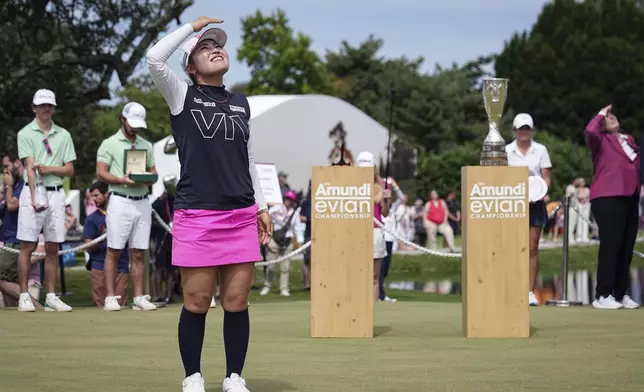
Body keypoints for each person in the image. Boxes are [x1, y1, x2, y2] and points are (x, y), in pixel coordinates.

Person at [146, 16, 273, 392]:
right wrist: (191, 27)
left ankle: (234, 376)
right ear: (189, 66)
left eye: (217, 44)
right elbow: (154, 59)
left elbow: (248, 160)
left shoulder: (241, 104)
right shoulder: (181, 95)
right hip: (197, 213)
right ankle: (193, 377)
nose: (215, 49)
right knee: (197, 300)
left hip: (240, 214)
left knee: (236, 301)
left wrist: (262, 206)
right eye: (205, 47)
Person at [16, 89, 76, 312]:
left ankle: (51, 296)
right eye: (41, 105)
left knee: (53, 246)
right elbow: (30, 168)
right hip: (35, 190)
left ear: (53, 108)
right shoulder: (25, 133)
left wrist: (50, 168)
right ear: (34, 108)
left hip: (57, 191)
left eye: (48, 105)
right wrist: (33, 198)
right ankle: (24, 295)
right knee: (27, 245)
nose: (45, 109)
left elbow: (69, 169)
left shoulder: (64, 135)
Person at [96, 101, 157, 312]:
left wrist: (148, 178)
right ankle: (110, 297)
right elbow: (101, 172)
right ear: (122, 119)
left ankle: (139, 296)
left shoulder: (146, 145)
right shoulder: (109, 143)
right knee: (114, 250)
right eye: (131, 123)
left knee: (139, 252)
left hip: (142, 201)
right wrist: (121, 180)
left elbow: (152, 171)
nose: (135, 127)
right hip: (120, 199)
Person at [586, 104, 639, 309]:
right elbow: (590, 130)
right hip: (607, 196)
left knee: (626, 246)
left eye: (612, 115)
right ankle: (602, 294)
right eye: (606, 118)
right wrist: (600, 113)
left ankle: (620, 293)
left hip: (631, 196)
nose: (611, 117)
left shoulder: (630, 140)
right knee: (611, 245)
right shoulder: (599, 140)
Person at [505, 113, 552, 306]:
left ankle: (530, 291)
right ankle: (513, 289)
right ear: (514, 130)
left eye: (527, 128)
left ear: (531, 130)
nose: (524, 132)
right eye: (520, 128)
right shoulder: (506, 150)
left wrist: (541, 192)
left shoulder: (540, 150)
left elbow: (546, 176)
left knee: (532, 248)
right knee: (514, 248)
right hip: (512, 203)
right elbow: (500, 177)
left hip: (536, 203)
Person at [83, 181, 130, 308]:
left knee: (121, 305)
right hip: (99, 266)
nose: (93, 200)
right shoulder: (91, 219)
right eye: (91, 196)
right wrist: (102, 236)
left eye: (96, 195)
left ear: (107, 194)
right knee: (102, 305)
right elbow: (88, 246)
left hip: (121, 266)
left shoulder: (123, 215)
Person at [355, 151, 391, 303]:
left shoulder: (379, 187)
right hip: (355, 232)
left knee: (374, 276)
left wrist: (387, 199)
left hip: (375, 231)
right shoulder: (350, 185)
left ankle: (370, 312)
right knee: (357, 274)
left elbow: (385, 213)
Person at [260, 190, 299, 297]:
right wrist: (276, 208)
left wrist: (299, 241)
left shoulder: (295, 213)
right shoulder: (277, 208)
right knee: (271, 266)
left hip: (287, 241)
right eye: (287, 198)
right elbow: (268, 215)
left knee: (285, 268)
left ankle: (284, 288)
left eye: (290, 199)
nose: (288, 201)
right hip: (275, 240)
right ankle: (267, 286)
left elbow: (297, 227)